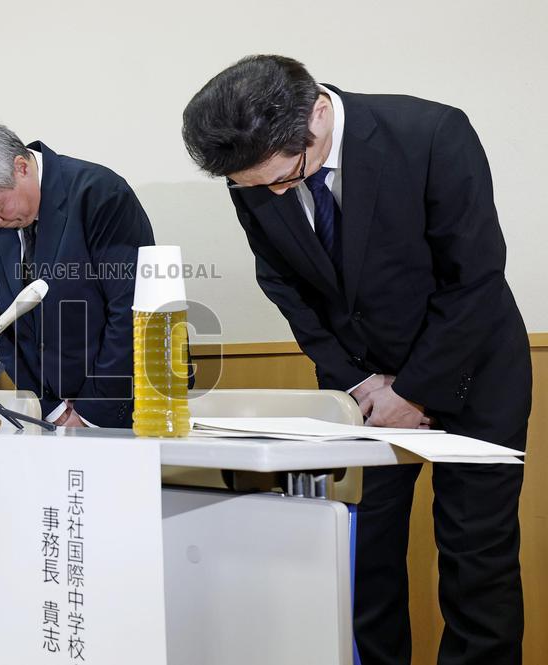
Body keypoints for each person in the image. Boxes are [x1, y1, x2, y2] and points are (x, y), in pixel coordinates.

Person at [181, 55, 531, 665]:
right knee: (364, 551)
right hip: (362, 391)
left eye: (287, 178)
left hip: (474, 372)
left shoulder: (431, 134)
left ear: (317, 110)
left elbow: (474, 278)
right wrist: (363, 384)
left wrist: (413, 391)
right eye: (253, 187)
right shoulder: (259, 172)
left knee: (478, 560)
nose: (273, 194)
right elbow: (285, 284)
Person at [0, 122, 155, 428]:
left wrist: (91, 413)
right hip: (53, 415)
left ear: (21, 167)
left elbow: (131, 309)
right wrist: (51, 408)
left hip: (127, 407)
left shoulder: (97, 193)